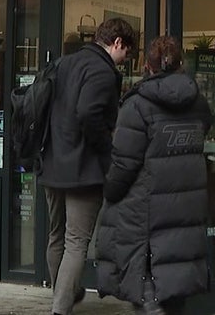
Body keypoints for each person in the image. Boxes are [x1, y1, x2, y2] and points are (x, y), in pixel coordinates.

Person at [96, 36, 212, 315]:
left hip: (144, 210)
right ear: (181, 64)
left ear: (147, 66)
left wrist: (109, 191)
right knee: (175, 286)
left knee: (148, 285)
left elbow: (124, 163)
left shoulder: (136, 106)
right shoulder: (198, 103)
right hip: (186, 205)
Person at [39, 17, 138, 315]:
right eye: (127, 54)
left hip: (52, 162)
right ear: (117, 43)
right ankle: (60, 307)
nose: (125, 61)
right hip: (83, 168)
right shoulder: (103, 72)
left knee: (56, 235)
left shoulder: (64, 64)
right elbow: (89, 114)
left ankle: (64, 292)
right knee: (76, 241)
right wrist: (107, 150)